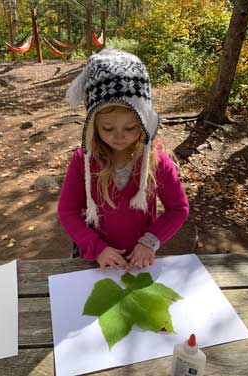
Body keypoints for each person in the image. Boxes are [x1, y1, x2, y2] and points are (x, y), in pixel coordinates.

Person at [58, 48, 189, 272]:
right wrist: (97, 248)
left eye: (130, 127)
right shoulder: (84, 161)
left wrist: (149, 242)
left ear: (145, 122)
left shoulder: (156, 160)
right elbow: (67, 211)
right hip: (94, 257)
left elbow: (178, 208)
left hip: (138, 258)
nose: (119, 136)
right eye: (107, 128)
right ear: (93, 125)